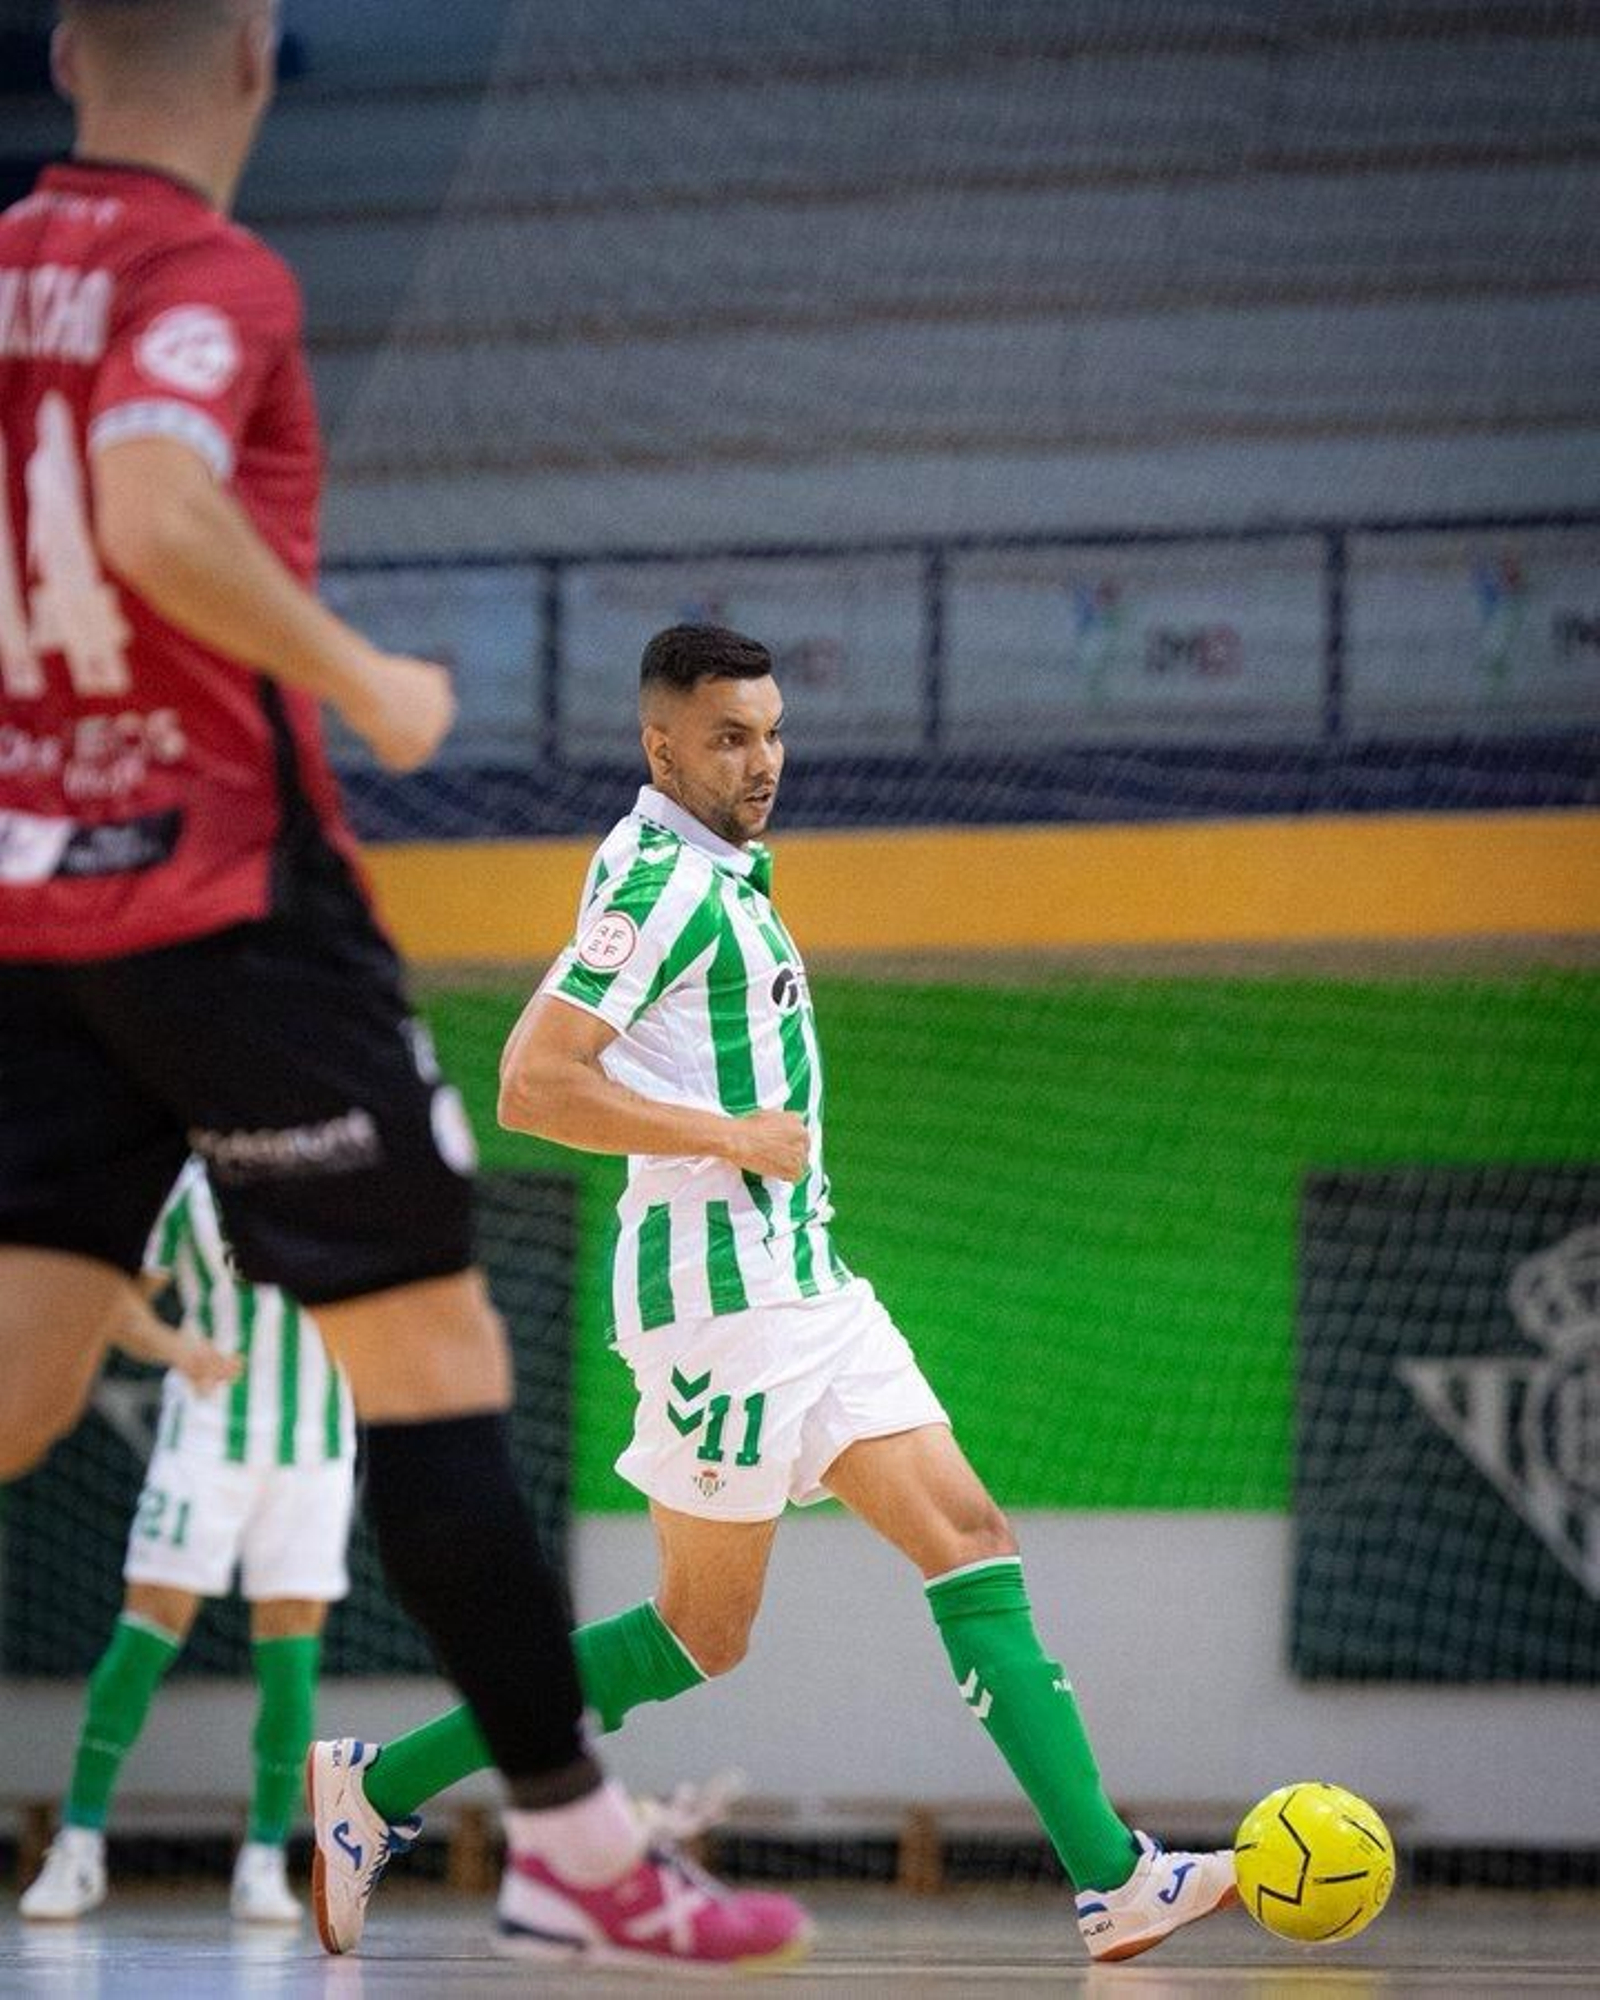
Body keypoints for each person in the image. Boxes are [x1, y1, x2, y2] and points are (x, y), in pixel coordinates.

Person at [0, 4, 805, 1971]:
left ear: (69, 53)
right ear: (260, 61)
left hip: (24, 903)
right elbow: (155, 508)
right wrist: (367, 681)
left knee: (14, 1393)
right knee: (435, 1366)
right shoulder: (203, 271)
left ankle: (527, 1827)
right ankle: (568, 1841)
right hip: (219, 909)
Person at [306, 623, 1242, 1966]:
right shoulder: (658, 881)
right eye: (730, 737)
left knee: (970, 1534)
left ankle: (1113, 1877)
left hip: (810, 1284)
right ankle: (380, 1787)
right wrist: (728, 1138)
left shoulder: (728, 875)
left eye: (773, 732)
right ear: (662, 743)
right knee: (701, 1634)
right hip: (720, 1306)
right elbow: (533, 1080)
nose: (761, 761)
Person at [21, 1157, 353, 1925]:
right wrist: (179, 1350)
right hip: (206, 1436)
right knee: (147, 1629)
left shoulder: (350, 1173)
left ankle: (266, 1858)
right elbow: (115, 1303)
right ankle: (78, 1847)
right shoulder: (185, 1187)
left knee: (292, 1650)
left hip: (316, 1448)